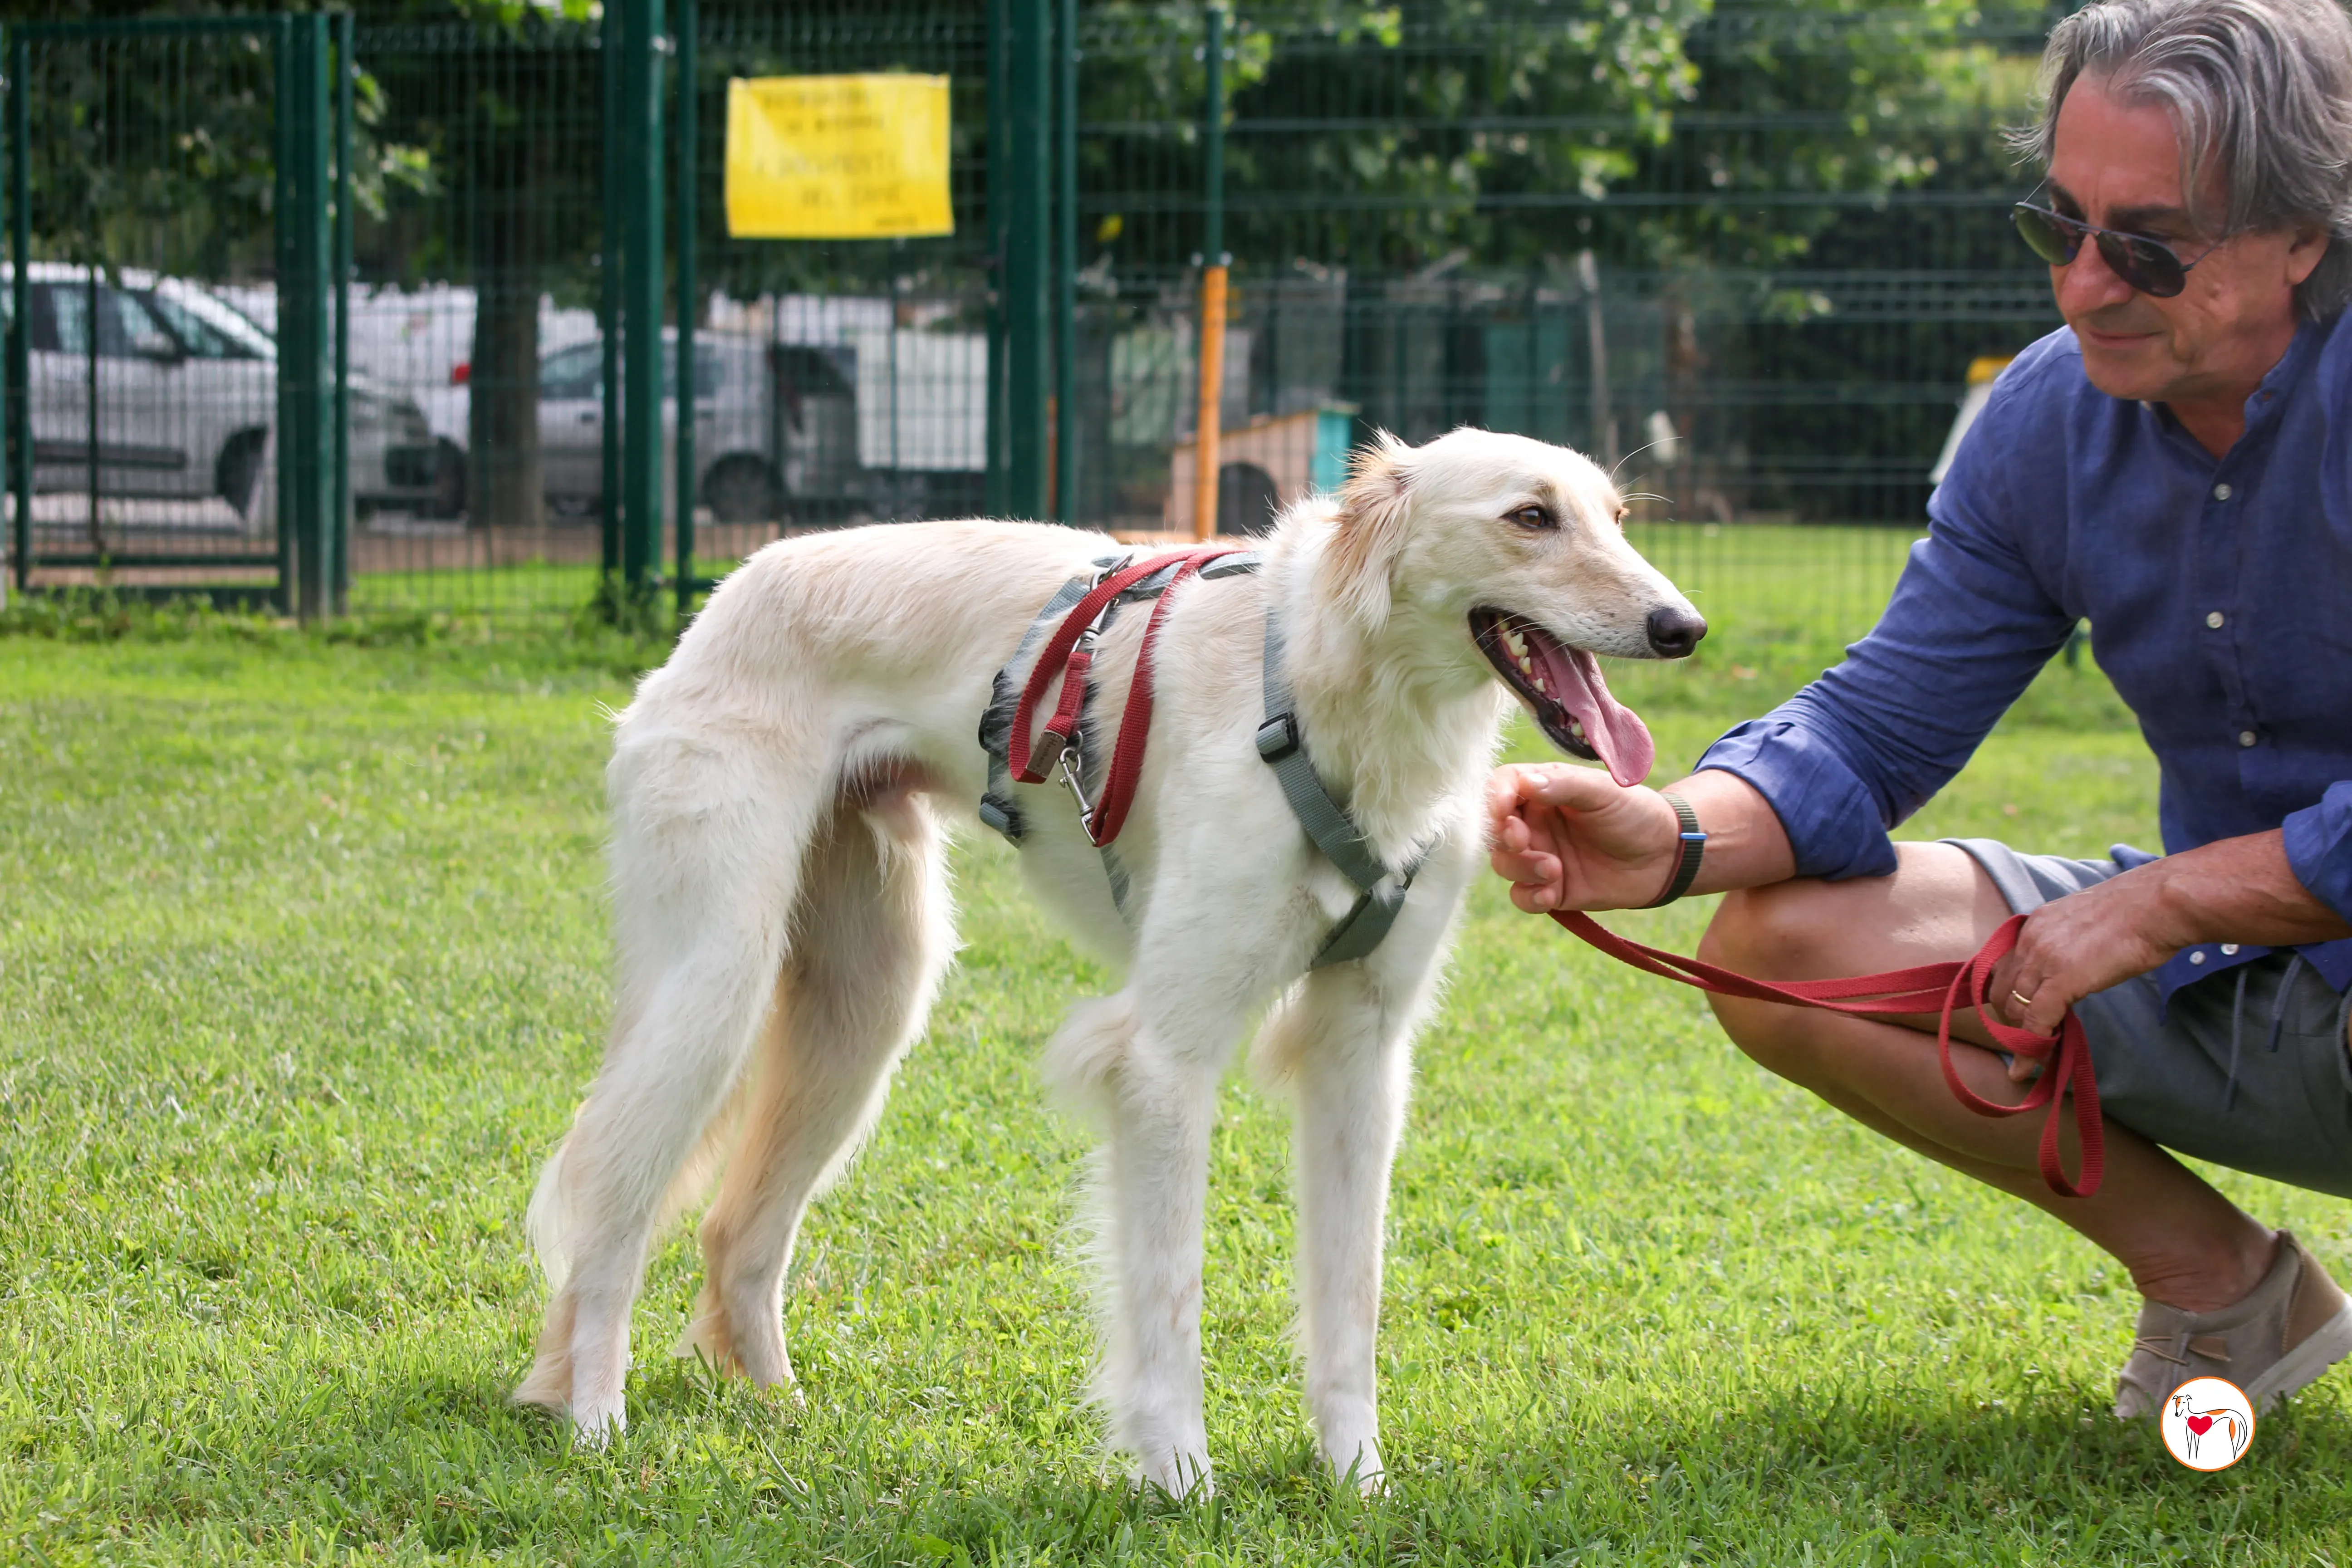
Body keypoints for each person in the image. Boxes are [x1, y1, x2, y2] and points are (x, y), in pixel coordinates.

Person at [1487, 0, 2352, 1421]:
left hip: (2222, 936)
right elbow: (1883, 719)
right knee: (1792, 937)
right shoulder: (2048, 417)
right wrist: (1675, 837)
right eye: (2058, 227)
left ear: (2306, 233)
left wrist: (2158, 907)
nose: (2083, 289)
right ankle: (2228, 1294)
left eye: (2149, 244)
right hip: (2249, 977)